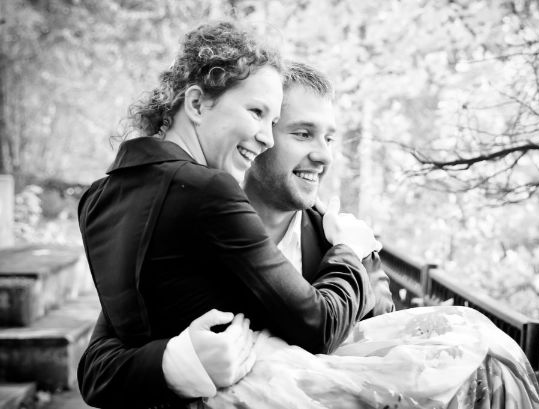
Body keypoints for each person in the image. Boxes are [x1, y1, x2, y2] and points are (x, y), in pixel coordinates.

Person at [79, 59, 539, 409]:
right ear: (259, 134)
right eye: (302, 134)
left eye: (330, 138)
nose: (323, 156)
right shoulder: (191, 221)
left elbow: (393, 368)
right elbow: (97, 368)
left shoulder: (348, 245)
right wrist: (176, 360)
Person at [78, 23, 380, 409]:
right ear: (196, 104)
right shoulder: (208, 195)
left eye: (330, 138)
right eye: (258, 114)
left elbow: (377, 343)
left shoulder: (98, 197)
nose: (265, 137)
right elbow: (96, 368)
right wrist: (347, 251)